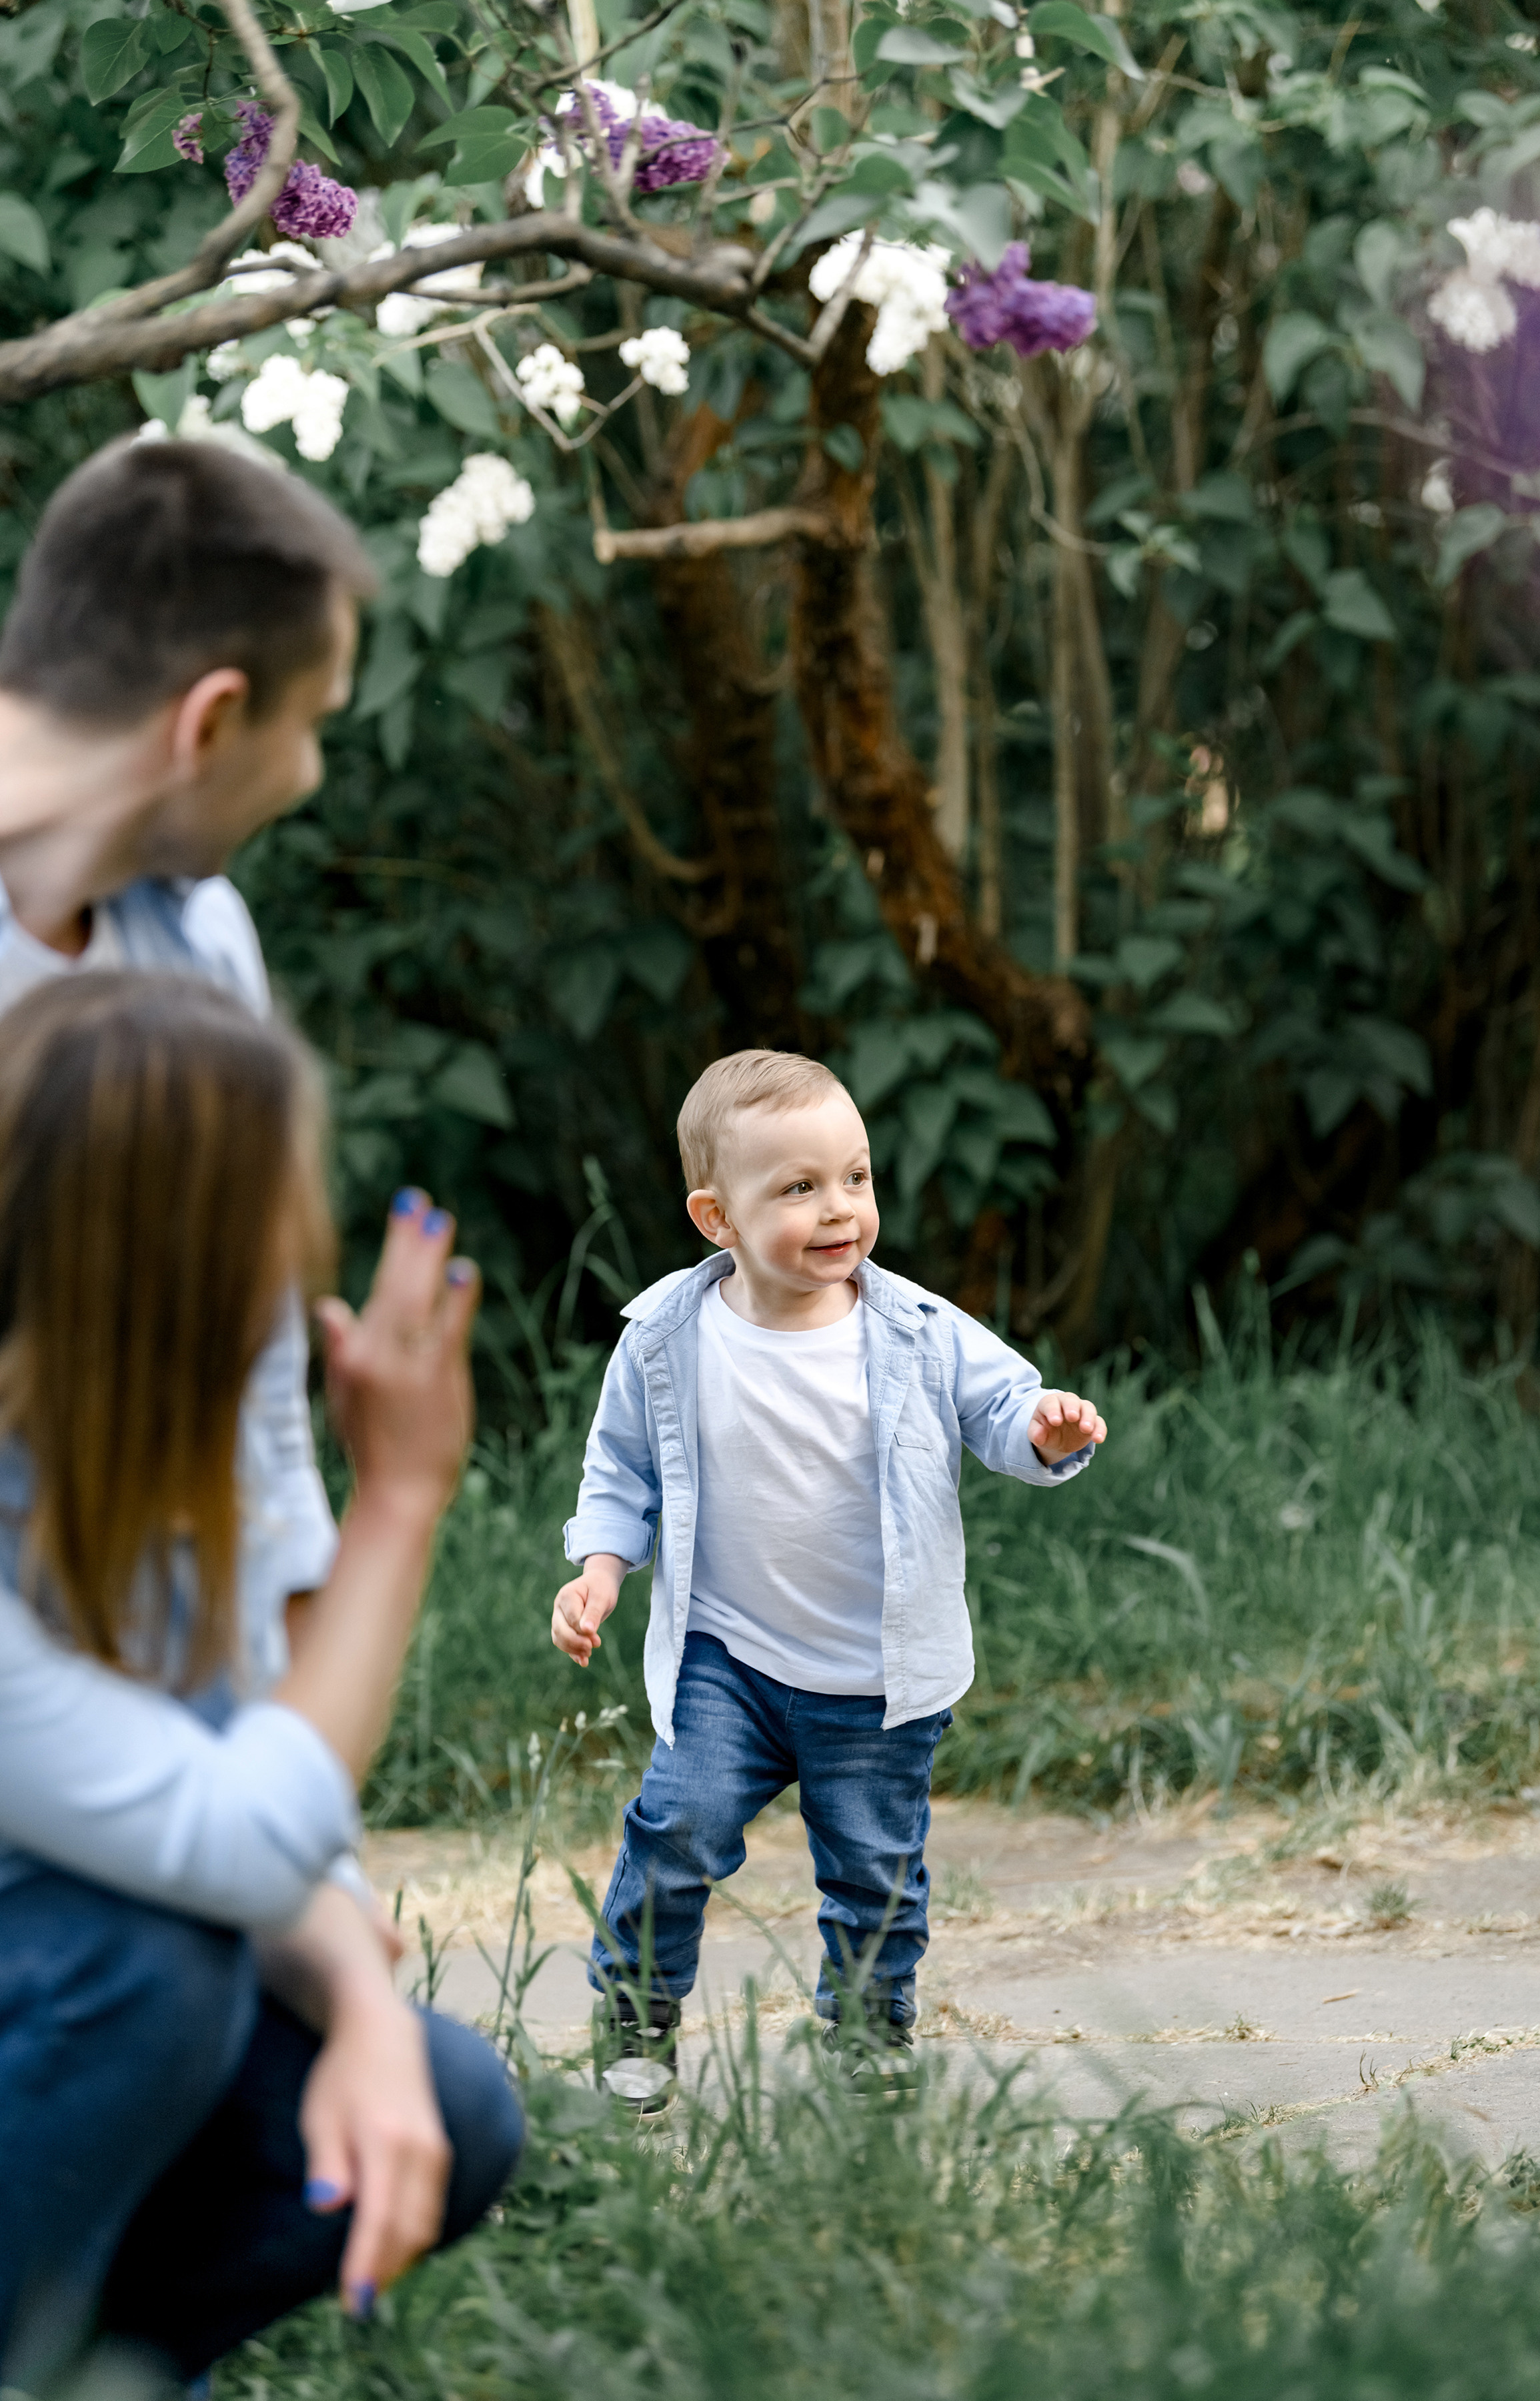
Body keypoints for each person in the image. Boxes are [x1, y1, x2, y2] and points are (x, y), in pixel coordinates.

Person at [0, 440, 510, 2371]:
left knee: (427, 2098)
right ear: (212, 716)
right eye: (310, 728)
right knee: (150, 1968)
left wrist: (340, 1944)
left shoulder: (184, 933)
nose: (309, 776)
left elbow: (238, 1426)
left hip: (96, 1722)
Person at [550, 1048, 1109, 2108]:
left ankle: (866, 2038)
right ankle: (636, 2019)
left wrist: (1043, 1430)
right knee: (676, 1832)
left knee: (874, 1875)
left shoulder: (917, 1329)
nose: (839, 1208)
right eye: (798, 1188)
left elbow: (1001, 1409)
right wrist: (601, 1571)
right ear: (716, 1218)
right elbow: (620, 1468)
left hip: (877, 1674)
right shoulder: (668, 1335)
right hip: (729, 1660)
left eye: (854, 1177)